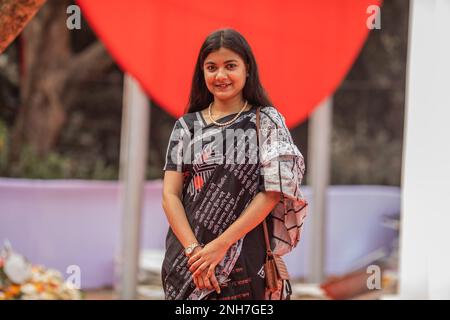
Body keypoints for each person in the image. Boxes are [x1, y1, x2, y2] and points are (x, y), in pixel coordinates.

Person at [161, 28, 308, 300]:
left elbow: (273, 191)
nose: (220, 76)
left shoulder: (266, 122)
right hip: (186, 262)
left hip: (244, 258)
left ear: (247, 69)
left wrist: (220, 246)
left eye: (230, 66)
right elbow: (170, 195)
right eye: (211, 67)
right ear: (201, 72)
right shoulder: (186, 126)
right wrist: (194, 251)